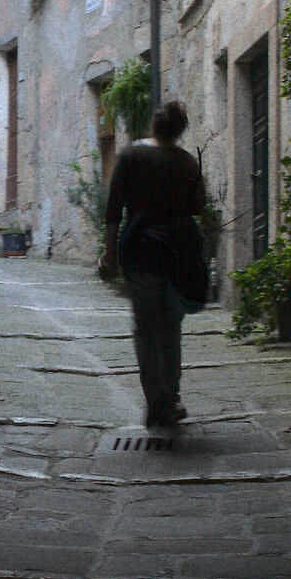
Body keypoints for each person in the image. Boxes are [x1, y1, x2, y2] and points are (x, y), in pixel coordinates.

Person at [98, 98, 208, 427]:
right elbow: (197, 208)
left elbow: (114, 207)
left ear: (154, 124)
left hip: (141, 250)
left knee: (145, 329)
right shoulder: (187, 163)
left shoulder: (131, 155)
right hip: (178, 254)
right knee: (170, 329)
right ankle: (171, 397)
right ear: (180, 130)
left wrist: (109, 252)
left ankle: (156, 401)